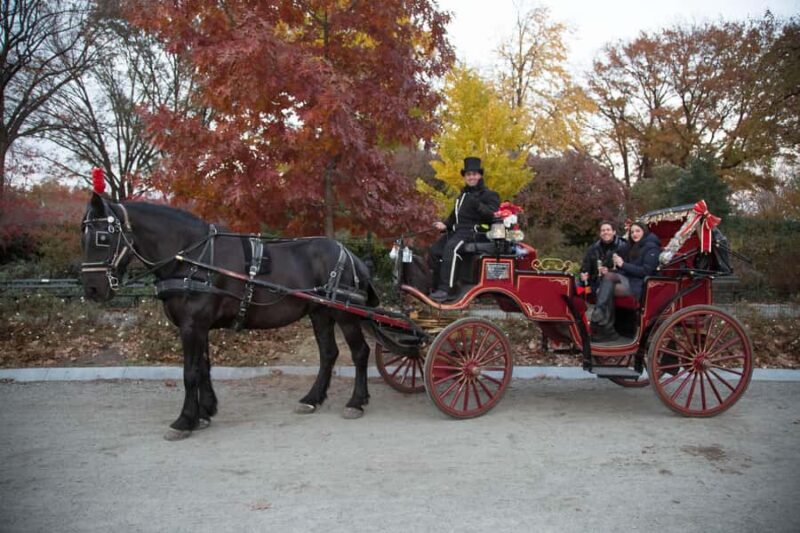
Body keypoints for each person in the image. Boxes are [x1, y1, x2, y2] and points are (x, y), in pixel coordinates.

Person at [429, 157, 500, 301]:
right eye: (468, 174)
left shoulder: (489, 195)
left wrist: (477, 204)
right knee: (434, 250)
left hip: (474, 232)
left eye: (474, 174)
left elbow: (493, 215)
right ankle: (435, 287)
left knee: (452, 248)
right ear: (465, 177)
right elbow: (454, 216)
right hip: (457, 231)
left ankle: (446, 290)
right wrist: (445, 225)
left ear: (480, 175)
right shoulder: (462, 196)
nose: (471, 177)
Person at [590, 221, 661, 341]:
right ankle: (603, 321)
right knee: (608, 277)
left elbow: (646, 271)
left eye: (638, 231)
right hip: (629, 279)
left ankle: (602, 321)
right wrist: (611, 266)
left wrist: (623, 265)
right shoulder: (631, 246)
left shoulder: (651, 247)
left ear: (644, 232)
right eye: (632, 232)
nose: (634, 234)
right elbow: (617, 258)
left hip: (640, 284)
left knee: (608, 284)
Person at [579, 221, 628, 295]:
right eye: (603, 230)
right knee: (576, 287)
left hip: (615, 283)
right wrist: (584, 274)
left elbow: (627, 269)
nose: (605, 232)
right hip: (595, 283)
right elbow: (585, 266)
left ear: (614, 232)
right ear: (600, 233)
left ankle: (595, 303)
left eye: (608, 230)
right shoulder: (593, 248)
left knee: (601, 289)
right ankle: (583, 302)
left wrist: (609, 271)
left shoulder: (624, 247)